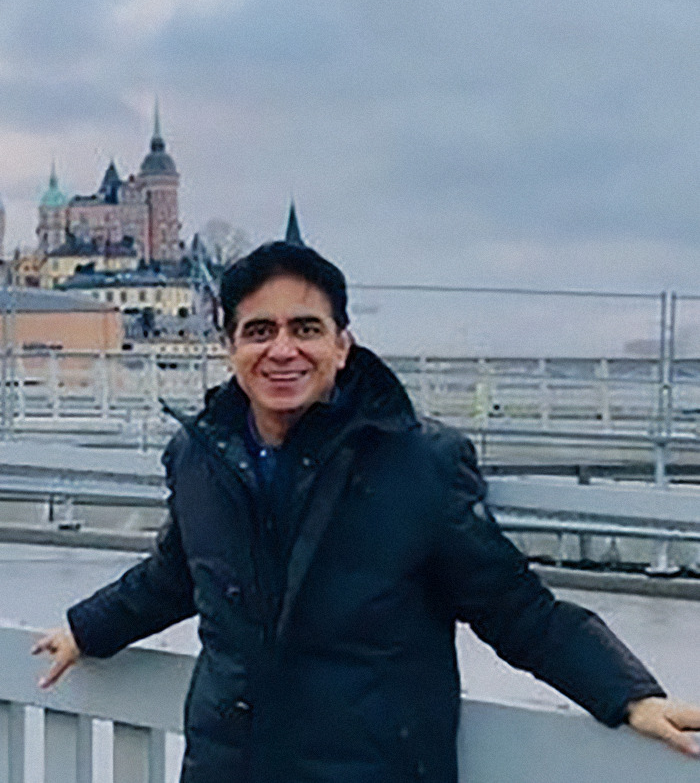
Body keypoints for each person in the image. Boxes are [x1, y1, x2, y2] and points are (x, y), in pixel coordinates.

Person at [34, 241, 700, 782]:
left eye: (306, 329)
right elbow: (176, 575)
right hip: (231, 764)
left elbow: (514, 607)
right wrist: (85, 629)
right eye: (259, 331)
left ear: (342, 345)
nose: (283, 349)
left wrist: (627, 693)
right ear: (229, 347)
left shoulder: (418, 462)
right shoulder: (199, 457)